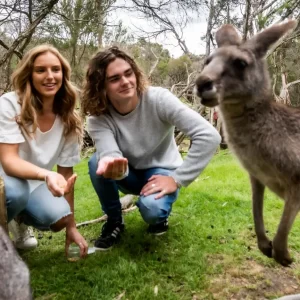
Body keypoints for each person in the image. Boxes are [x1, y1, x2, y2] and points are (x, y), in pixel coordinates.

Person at [81, 46, 221, 250]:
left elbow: (209, 136)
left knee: (153, 210)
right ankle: (114, 221)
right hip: (127, 173)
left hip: (161, 170)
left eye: (128, 73)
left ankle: (158, 217)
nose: (126, 81)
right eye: (115, 78)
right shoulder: (98, 117)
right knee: (96, 162)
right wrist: (110, 164)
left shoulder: (158, 99)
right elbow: (110, 153)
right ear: (101, 86)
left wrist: (177, 178)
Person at [0, 45, 88, 257]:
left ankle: (19, 222)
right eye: (41, 70)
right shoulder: (10, 104)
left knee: (59, 216)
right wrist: (47, 174)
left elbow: (67, 175)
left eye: (56, 70)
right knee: (16, 192)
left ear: (63, 74)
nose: (50, 76)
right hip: (4, 179)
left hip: (37, 183)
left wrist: (71, 226)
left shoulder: (68, 118)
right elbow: (9, 161)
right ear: (29, 74)